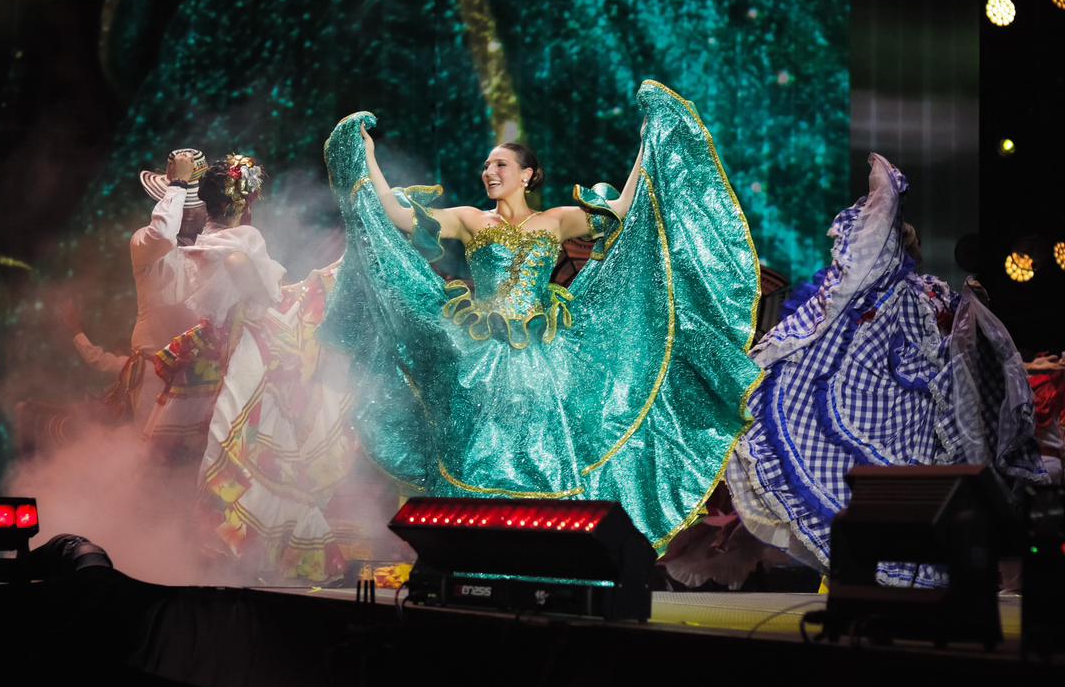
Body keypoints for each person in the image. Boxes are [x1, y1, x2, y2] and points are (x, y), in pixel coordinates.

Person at [320, 80, 762, 549]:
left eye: (501, 164)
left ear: (528, 174)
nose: (489, 171)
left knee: (544, 452)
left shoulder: (556, 220)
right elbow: (398, 216)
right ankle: (468, 547)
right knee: (476, 449)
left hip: (544, 351)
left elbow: (625, 208)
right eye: (487, 164)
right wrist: (365, 153)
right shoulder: (472, 218)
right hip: (479, 352)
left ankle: (553, 551)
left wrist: (649, 137)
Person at [724, 154, 1048, 585]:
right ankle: (870, 579)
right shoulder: (898, 294)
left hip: (916, 416)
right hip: (900, 413)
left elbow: (965, 349)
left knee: (894, 498)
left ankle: (880, 578)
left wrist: (888, 192)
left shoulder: (918, 293)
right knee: (885, 498)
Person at [151, 154, 361, 582]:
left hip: (228, 344)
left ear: (205, 203)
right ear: (245, 202)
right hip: (246, 341)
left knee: (233, 436)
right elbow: (261, 291)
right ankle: (232, 546)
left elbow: (225, 289)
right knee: (244, 437)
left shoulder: (197, 239)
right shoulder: (243, 237)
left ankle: (226, 546)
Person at [129, 148, 210, 448]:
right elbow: (164, 234)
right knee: (148, 459)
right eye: (187, 206)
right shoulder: (143, 241)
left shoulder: (210, 247)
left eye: (197, 206)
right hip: (153, 373)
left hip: (196, 378)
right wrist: (179, 186)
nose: (194, 213)